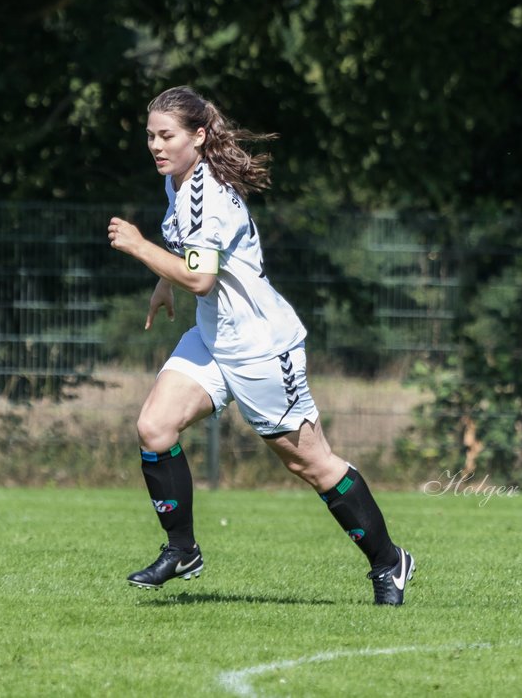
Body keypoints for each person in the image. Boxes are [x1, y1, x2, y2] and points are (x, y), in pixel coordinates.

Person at [106, 85, 415, 606]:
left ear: (198, 137)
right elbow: (190, 258)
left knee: (312, 464)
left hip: (259, 347)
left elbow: (201, 279)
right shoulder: (177, 181)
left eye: (166, 136)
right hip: (213, 337)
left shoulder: (208, 194)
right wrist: (166, 282)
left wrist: (141, 248)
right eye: (150, 136)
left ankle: (389, 562)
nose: (155, 146)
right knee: (154, 428)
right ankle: (181, 549)